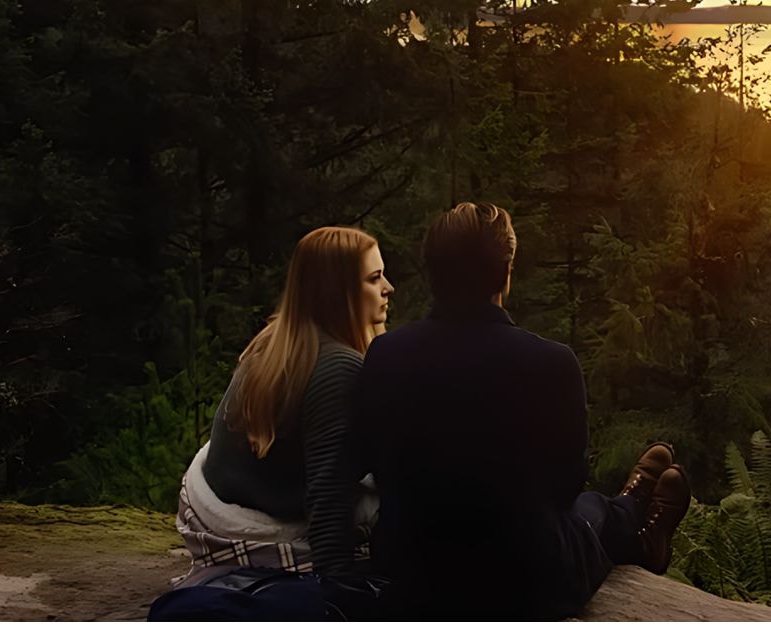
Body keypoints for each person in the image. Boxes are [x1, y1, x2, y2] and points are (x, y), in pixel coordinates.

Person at [350, 202, 691, 619]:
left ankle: (631, 512)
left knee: (584, 509)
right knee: (588, 508)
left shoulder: (384, 354)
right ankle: (635, 526)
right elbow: (564, 488)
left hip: (410, 574)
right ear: (505, 271)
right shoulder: (552, 363)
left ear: (431, 271)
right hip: (525, 583)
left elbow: (371, 459)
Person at [175, 226, 394, 586]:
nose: (388, 288)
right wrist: (338, 592)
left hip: (208, 511)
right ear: (338, 293)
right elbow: (329, 493)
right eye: (374, 278)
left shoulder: (277, 342)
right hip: (259, 530)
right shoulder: (337, 366)